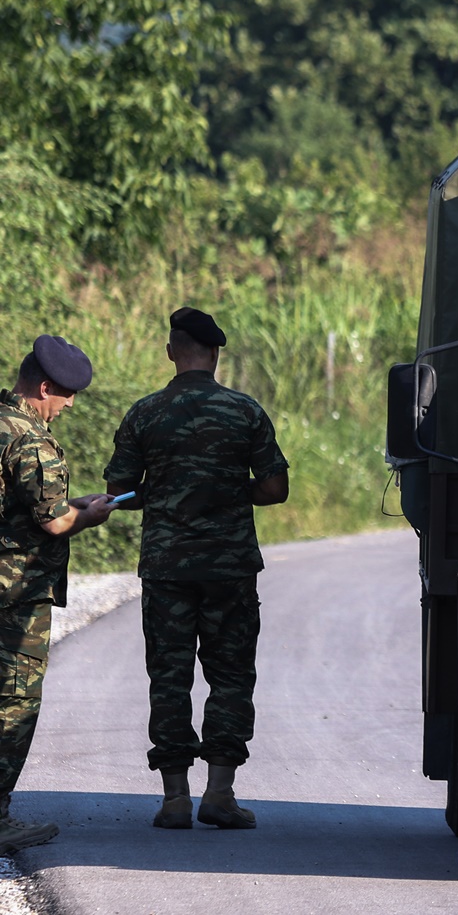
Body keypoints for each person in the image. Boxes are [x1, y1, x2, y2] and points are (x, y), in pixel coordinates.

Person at [104, 308, 290, 831]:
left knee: (169, 676)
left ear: (171, 353)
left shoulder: (144, 414)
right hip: (229, 569)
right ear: (214, 355)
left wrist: (164, 494)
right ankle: (221, 793)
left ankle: (174, 799)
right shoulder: (245, 411)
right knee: (229, 675)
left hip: (166, 568)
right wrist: (231, 493)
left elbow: (120, 491)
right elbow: (275, 488)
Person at [0, 336, 116, 853]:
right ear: (43, 387)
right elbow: (54, 522)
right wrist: (87, 515)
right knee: (14, 702)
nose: (69, 405)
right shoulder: (31, 440)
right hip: (16, 595)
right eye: (65, 395)